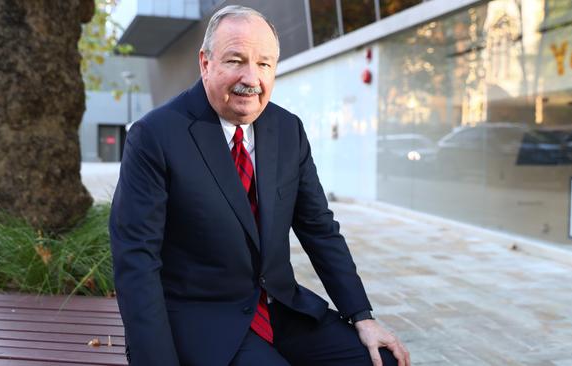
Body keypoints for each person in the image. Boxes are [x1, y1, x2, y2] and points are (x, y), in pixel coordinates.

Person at [109, 5, 410, 366]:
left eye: (265, 64)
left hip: (279, 309)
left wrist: (361, 314)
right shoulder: (155, 135)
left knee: (382, 361)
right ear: (205, 63)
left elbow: (319, 230)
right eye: (236, 60)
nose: (252, 77)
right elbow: (136, 261)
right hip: (204, 321)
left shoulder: (288, 130)